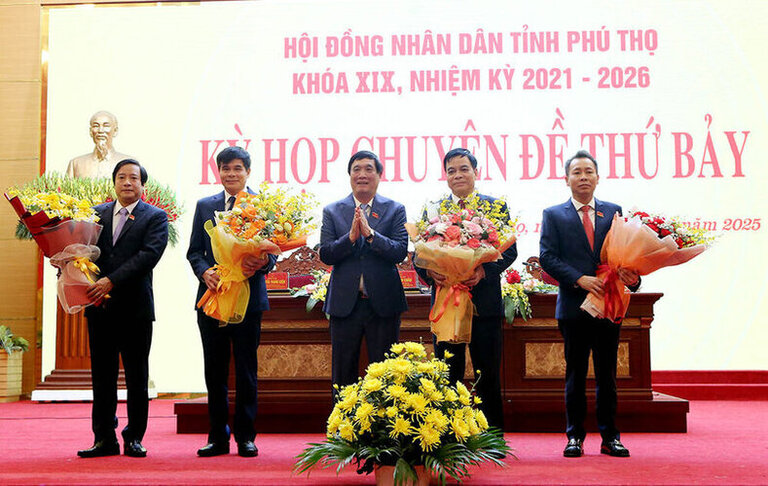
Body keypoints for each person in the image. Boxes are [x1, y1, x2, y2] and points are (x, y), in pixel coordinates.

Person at [539, 149, 640, 458]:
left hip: (608, 306)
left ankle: (610, 437)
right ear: (566, 178)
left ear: (598, 177)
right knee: (575, 375)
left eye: (588, 172)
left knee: (608, 375)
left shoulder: (613, 212)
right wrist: (578, 279)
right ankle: (575, 437)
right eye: (577, 172)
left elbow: (625, 254)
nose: (583, 177)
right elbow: (547, 256)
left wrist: (632, 276)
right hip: (574, 306)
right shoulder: (553, 214)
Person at [414, 147, 517, 430]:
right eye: (451, 170)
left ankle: (492, 435)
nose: (457, 175)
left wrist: (484, 270)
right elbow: (418, 254)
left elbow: (509, 251)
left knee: (487, 372)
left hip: (483, 302)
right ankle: (448, 434)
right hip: (447, 303)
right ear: (445, 176)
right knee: (448, 373)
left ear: (476, 172)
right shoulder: (433, 209)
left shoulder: (495, 207)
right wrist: (429, 272)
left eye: (463, 169)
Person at [187, 146, 275, 458]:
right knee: (215, 371)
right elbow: (194, 251)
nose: (231, 174)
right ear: (218, 172)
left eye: (237, 168)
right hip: (213, 299)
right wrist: (205, 272)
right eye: (225, 169)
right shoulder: (205, 205)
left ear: (247, 172)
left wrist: (260, 264)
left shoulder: (260, 205)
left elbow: (273, 253)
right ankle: (217, 437)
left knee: (247, 371)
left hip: (248, 300)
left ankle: (246, 436)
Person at [77, 159, 168, 458]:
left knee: (136, 377)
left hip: (135, 309)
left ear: (143, 185)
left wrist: (110, 281)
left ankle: (134, 438)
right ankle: (104, 438)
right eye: (121, 177)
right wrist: (65, 262)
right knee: (102, 377)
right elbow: (83, 251)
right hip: (99, 308)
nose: (127, 182)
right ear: (113, 182)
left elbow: (148, 255)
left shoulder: (155, 217)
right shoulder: (95, 214)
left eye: (133, 178)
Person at [319, 150, 408, 390]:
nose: (362, 174)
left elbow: (400, 251)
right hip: (344, 304)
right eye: (356, 169)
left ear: (379, 175)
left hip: (383, 303)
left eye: (369, 169)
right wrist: (349, 238)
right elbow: (325, 254)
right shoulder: (333, 211)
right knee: (343, 372)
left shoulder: (394, 209)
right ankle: (342, 427)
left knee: (386, 375)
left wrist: (371, 235)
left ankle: (384, 427)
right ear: (349, 175)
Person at [66, 111, 133, 179]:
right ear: (90, 132)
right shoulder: (76, 164)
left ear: (115, 131)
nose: (100, 130)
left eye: (106, 126)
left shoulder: (129, 163)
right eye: (96, 126)